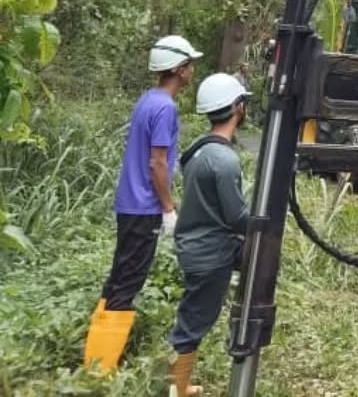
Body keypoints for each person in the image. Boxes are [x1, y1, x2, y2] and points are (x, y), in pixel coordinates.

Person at [83, 34, 202, 375]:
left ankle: (95, 358)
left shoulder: (147, 100)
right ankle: (100, 369)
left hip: (128, 205)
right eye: (189, 64)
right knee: (128, 282)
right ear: (179, 69)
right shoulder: (165, 107)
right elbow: (158, 163)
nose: (192, 70)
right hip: (144, 207)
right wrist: (168, 208)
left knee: (119, 278)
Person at [165, 72, 251, 397]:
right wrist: (263, 223)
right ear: (238, 107)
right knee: (193, 323)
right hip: (210, 254)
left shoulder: (199, 150)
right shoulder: (224, 159)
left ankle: (180, 384)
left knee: (192, 315)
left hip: (195, 246)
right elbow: (236, 216)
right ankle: (176, 388)